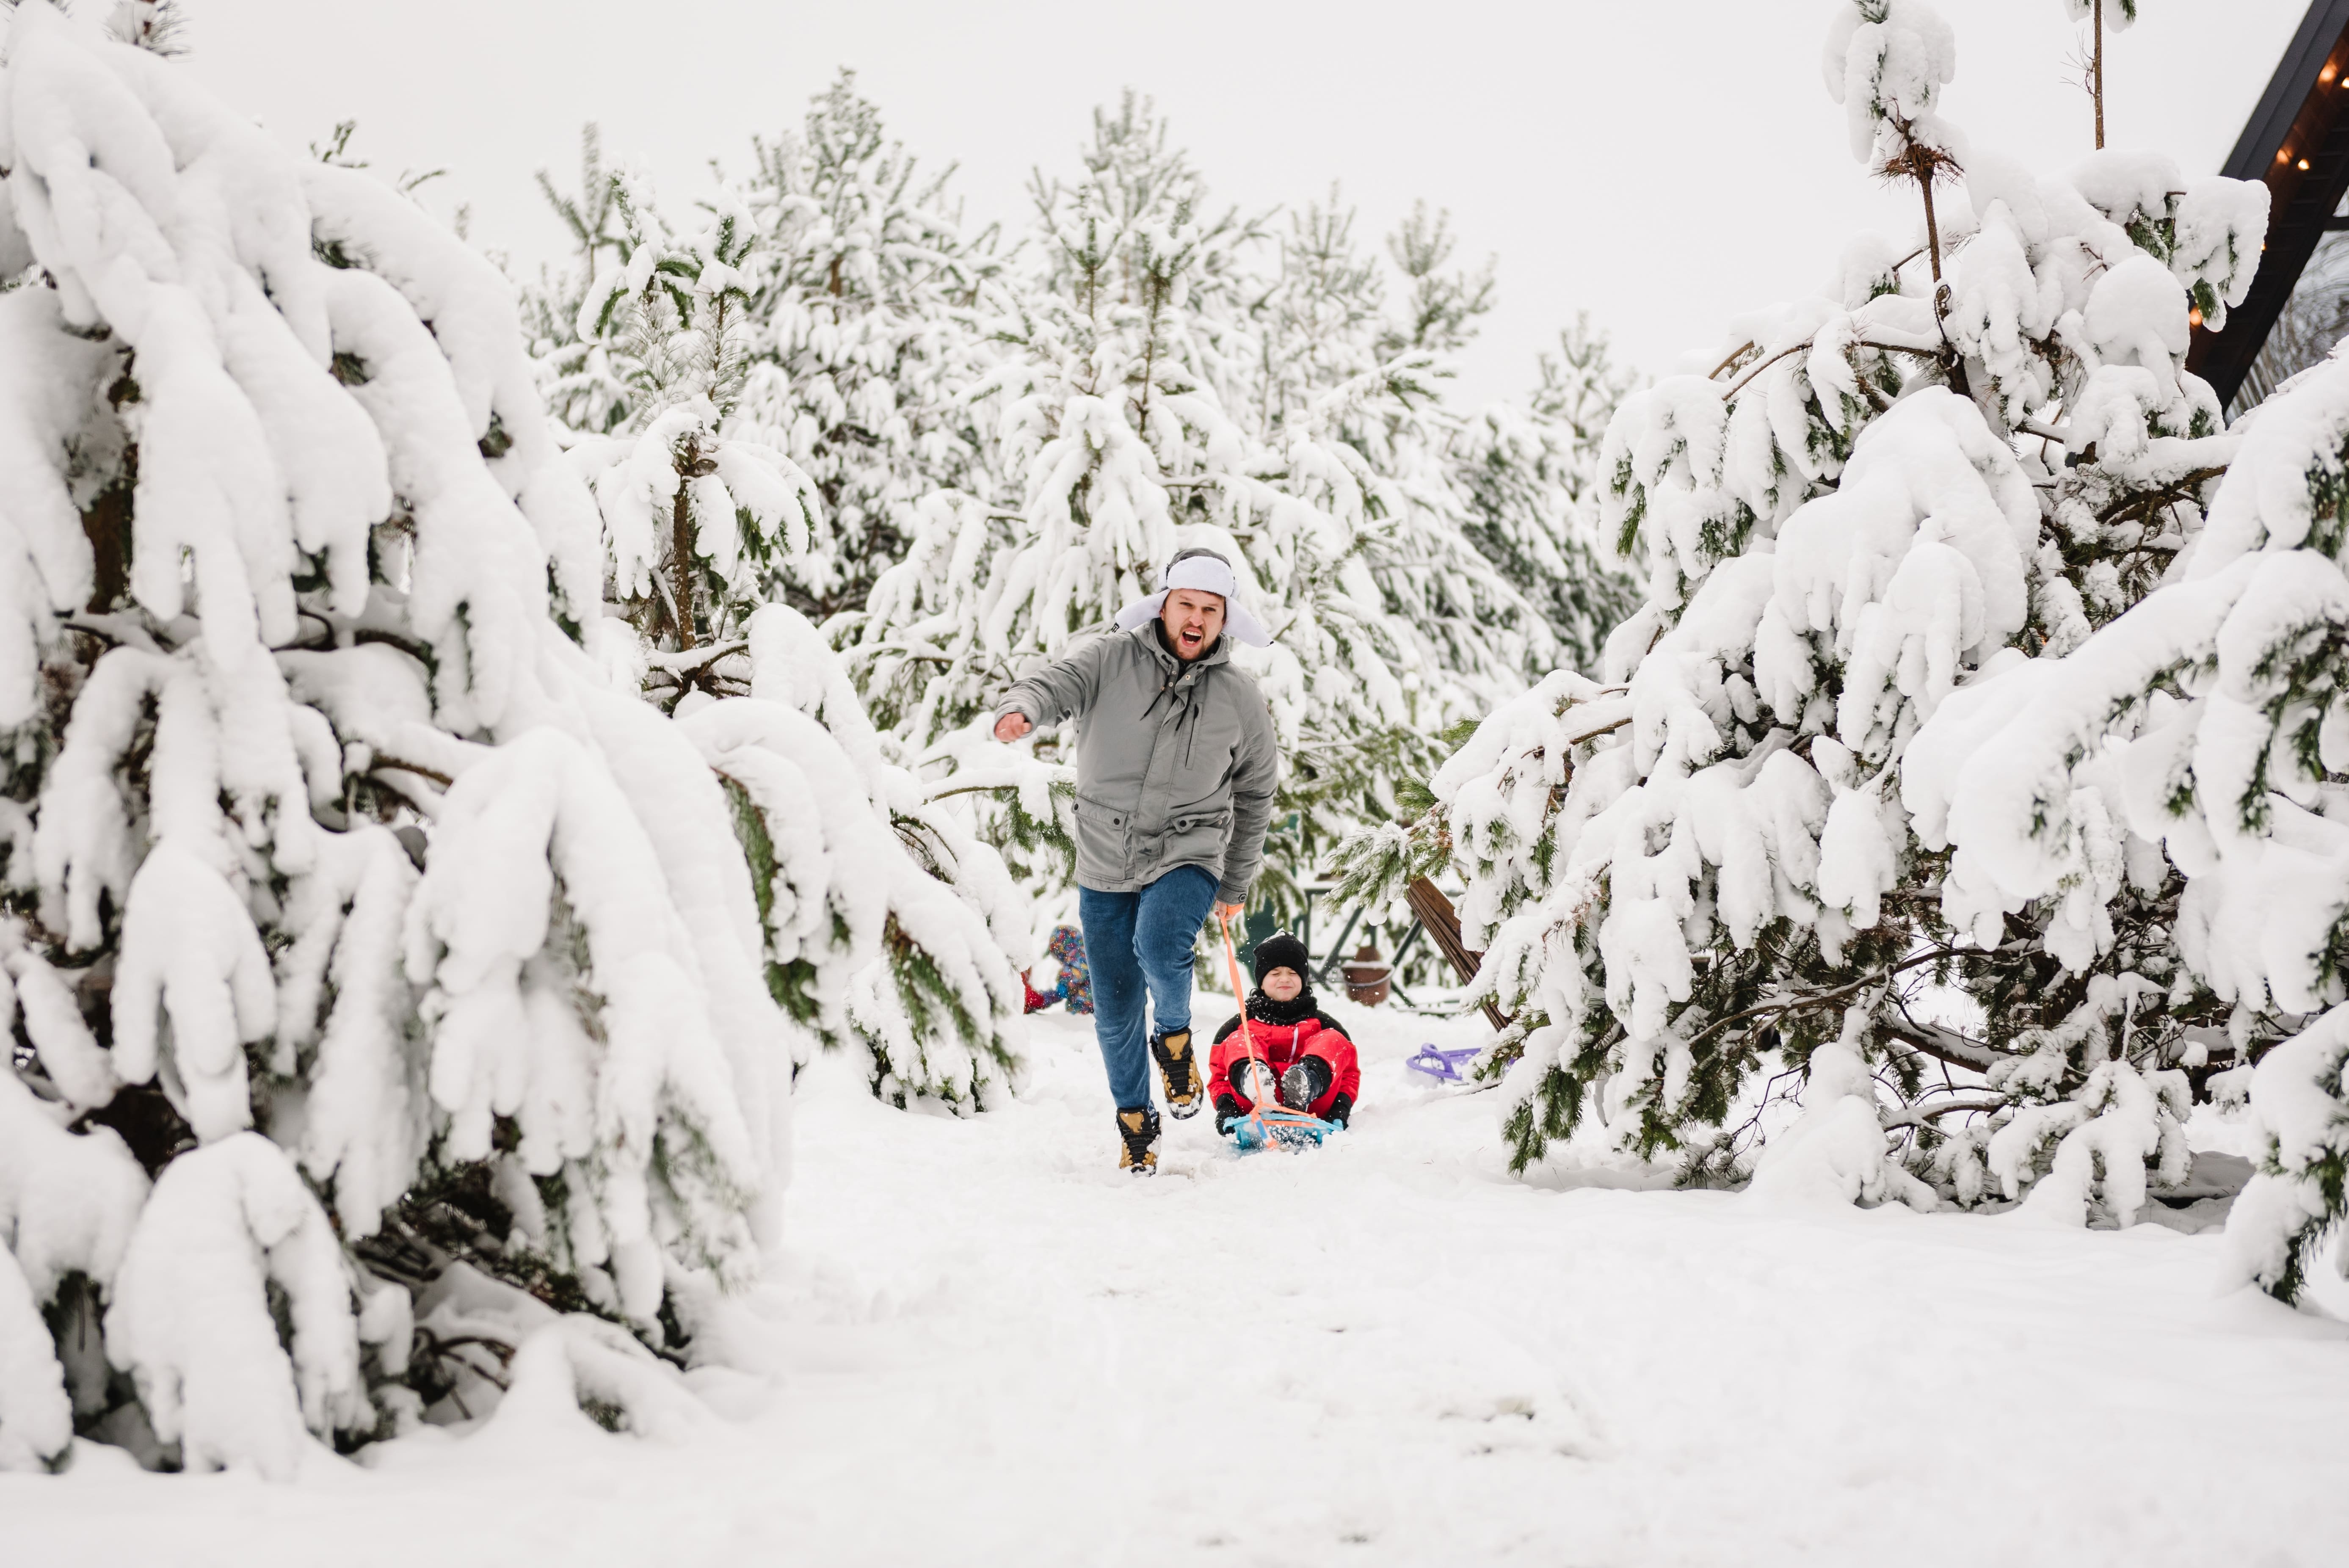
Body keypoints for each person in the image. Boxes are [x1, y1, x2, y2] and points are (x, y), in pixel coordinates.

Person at [991, 547, 1279, 1175]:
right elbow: (1052, 684)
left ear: (1224, 619)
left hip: (1190, 846)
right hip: (1105, 852)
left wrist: (1236, 879)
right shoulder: (1109, 659)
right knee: (1116, 1004)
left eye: (1210, 609)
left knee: (1161, 942)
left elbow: (1256, 793)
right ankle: (1136, 1122)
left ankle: (1174, 1040)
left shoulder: (1240, 699)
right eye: (1187, 605)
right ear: (1165, 606)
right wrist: (1023, 710)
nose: (1196, 618)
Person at [1209, 931, 1359, 1135]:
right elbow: (1220, 1077)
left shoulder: (1324, 1024)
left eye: (1293, 973)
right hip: (1255, 1106)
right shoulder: (1240, 1025)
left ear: (1304, 979)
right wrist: (1227, 1108)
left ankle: (1305, 1083)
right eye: (1275, 973)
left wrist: (1340, 1110)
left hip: (1312, 1104)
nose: (1285, 979)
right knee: (1240, 1040)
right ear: (1261, 981)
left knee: (1333, 1039)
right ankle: (1256, 1082)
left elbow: (1348, 1073)